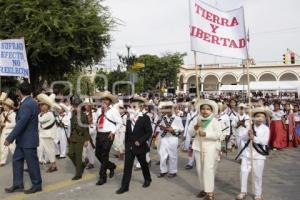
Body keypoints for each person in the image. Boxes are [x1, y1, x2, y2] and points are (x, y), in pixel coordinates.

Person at [4, 81, 42, 194]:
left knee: (32, 163)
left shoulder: (28, 104)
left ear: (20, 91)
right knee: (16, 160)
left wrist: (9, 138)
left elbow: (21, 123)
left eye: (17, 90)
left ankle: (37, 184)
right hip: (23, 140)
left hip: (28, 140)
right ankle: (18, 184)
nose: (16, 92)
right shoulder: (28, 102)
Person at [116, 96, 153, 194]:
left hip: (139, 145)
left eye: (135, 105)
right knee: (127, 167)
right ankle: (124, 186)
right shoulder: (128, 117)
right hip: (129, 146)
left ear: (140, 106)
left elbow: (149, 132)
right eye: (132, 105)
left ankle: (147, 179)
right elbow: (127, 132)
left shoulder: (145, 118)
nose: (132, 107)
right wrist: (125, 144)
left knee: (143, 164)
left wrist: (140, 141)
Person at [188, 99, 222, 200]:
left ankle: (210, 193)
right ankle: (203, 189)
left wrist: (206, 134)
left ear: (211, 111)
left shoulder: (215, 121)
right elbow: (190, 133)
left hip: (211, 148)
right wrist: (195, 128)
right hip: (198, 147)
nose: (205, 111)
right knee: (200, 170)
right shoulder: (196, 119)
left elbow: (218, 135)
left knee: (208, 170)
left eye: (207, 109)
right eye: (203, 109)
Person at [236, 107, 271, 200]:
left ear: (264, 119)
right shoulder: (249, 127)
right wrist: (248, 135)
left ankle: (257, 193)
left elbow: (265, 142)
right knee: (243, 173)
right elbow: (243, 139)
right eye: (258, 116)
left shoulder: (266, 129)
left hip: (259, 155)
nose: (260, 118)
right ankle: (243, 192)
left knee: (257, 175)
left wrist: (254, 138)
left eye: (262, 117)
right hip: (247, 154)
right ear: (254, 118)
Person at [95, 91, 123, 186]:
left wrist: (113, 131)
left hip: (108, 135)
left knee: (104, 155)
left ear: (110, 101)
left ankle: (102, 177)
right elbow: (96, 122)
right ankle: (111, 166)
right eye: (103, 99)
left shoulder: (113, 111)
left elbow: (119, 122)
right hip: (99, 134)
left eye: (106, 99)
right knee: (97, 154)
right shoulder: (99, 111)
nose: (104, 101)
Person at [157, 101, 184, 178]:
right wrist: (162, 127)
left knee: (173, 155)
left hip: (173, 138)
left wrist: (173, 129)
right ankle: (163, 170)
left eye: (169, 108)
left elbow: (181, 129)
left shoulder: (177, 118)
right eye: (166, 108)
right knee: (162, 155)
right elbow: (160, 127)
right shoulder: (162, 118)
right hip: (164, 138)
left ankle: (173, 171)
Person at [68, 96, 90, 180]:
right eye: (74, 106)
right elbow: (71, 126)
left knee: (78, 156)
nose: (75, 107)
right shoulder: (73, 114)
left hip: (80, 137)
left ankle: (78, 174)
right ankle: (81, 166)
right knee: (70, 153)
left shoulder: (84, 116)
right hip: (73, 137)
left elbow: (86, 128)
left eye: (77, 106)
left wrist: (87, 139)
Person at [37, 93, 59, 172]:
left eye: (43, 105)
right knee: (39, 149)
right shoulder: (41, 114)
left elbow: (40, 120)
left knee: (50, 150)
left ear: (47, 106)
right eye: (40, 105)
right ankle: (40, 161)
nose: (41, 106)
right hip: (42, 135)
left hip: (48, 135)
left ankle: (54, 165)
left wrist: (39, 115)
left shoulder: (49, 114)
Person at [0, 98, 16, 166]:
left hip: (11, 132)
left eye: (5, 105)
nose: (3, 106)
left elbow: (15, 124)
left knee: (13, 147)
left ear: (9, 106)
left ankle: (17, 158)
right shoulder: (2, 114)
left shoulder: (13, 114)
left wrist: (5, 124)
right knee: (2, 147)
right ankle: (2, 161)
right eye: (3, 105)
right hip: (4, 132)